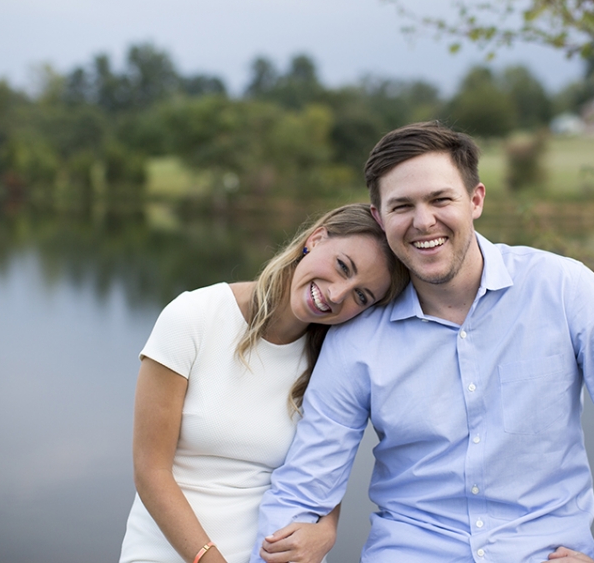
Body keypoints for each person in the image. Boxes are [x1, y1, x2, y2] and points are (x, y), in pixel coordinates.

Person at [253, 122, 594, 563]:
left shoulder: (562, 289)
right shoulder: (357, 336)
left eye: (440, 199)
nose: (423, 220)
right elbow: (304, 487)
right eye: (402, 205)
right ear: (379, 217)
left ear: (475, 200)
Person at [119, 203, 410, 563]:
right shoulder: (193, 316)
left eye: (361, 296)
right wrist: (209, 559)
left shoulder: (332, 362)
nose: (337, 295)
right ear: (316, 239)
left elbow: (321, 474)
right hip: (169, 551)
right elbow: (151, 471)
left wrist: (327, 530)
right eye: (342, 267)